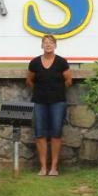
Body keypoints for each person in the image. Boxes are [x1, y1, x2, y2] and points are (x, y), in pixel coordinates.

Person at [26, 34, 72, 176]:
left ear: (55, 45)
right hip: (39, 102)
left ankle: (54, 168)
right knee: (40, 134)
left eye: (51, 43)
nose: (48, 45)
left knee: (56, 134)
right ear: (42, 45)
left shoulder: (62, 62)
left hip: (58, 102)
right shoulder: (34, 63)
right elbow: (29, 81)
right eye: (45, 43)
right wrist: (41, 91)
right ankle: (43, 167)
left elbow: (69, 81)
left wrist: (55, 90)